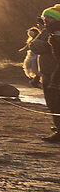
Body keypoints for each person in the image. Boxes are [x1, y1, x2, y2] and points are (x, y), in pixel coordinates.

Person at [27, 12, 60, 142]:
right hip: (47, 72)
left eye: (49, 17)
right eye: (45, 17)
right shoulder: (48, 30)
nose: (46, 19)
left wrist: (47, 46)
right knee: (52, 103)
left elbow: (39, 46)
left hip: (55, 73)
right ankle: (58, 127)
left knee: (55, 103)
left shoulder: (54, 32)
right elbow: (34, 45)